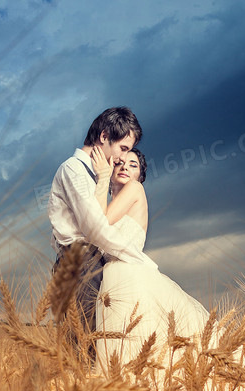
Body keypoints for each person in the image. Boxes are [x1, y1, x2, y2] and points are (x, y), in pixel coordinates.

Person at [47, 107, 156, 362]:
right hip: (81, 261)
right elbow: (95, 226)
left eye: (130, 155)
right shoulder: (74, 170)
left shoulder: (97, 175)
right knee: (83, 345)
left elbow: (98, 222)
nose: (122, 159)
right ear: (104, 136)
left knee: (91, 345)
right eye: (123, 149)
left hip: (93, 264)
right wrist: (138, 259)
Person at [89, 147, 210, 376]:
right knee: (118, 356)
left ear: (140, 176)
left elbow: (97, 221)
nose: (124, 167)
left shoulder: (135, 188)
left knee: (132, 353)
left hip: (129, 279)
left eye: (133, 165)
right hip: (112, 282)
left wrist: (102, 177)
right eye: (119, 163)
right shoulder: (109, 201)